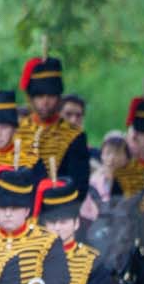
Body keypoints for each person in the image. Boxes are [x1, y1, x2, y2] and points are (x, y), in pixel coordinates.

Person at [14, 56, 90, 194]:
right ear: (31, 98)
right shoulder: (17, 132)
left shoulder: (75, 136)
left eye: (51, 96)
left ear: (59, 97)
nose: (45, 101)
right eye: (39, 96)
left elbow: (79, 185)